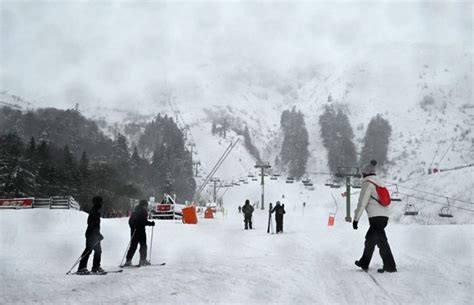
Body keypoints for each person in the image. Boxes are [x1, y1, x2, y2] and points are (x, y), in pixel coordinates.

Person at [353, 160, 397, 273]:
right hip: (384, 216)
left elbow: (362, 202)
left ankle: (390, 266)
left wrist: (356, 219)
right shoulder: (380, 183)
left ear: (365, 174)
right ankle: (364, 262)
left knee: (382, 241)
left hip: (375, 217)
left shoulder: (368, 184)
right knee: (370, 239)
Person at [77, 196, 105, 274]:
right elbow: (91, 225)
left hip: (94, 234)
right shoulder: (94, 212)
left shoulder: (96, 211)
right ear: (98, 203)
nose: (102, 204)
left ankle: (96, 267)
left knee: (98, 251)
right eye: (101, 202)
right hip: (91, 235)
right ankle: (82, 267)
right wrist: (97, 234)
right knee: (88, 250)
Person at [124, 200, 155, 266]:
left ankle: (128, 260)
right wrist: (150, 223)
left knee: (134, 246)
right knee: (143, 245)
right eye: (146, 205)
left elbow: (130, 221)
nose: (146, 207)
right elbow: (143, 221)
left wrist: (133, 227)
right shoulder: (143, 212)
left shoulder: (135, 211)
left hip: (135, 230)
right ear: (144, 205)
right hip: (140, 231)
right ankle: (142, 260)